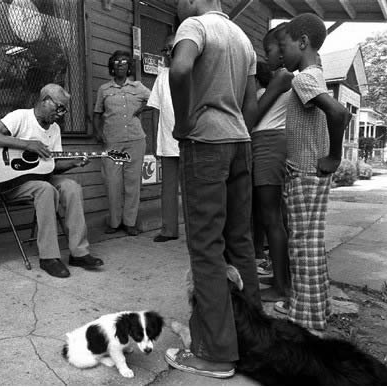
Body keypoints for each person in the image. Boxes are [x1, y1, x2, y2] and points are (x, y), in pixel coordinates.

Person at [163, 0, 260, 379]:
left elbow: (181, 67)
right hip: (240, 144)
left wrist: (186, 122)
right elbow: (251, 104)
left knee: (206, 249)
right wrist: (234, 127)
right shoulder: (242, 38)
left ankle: (215, 353)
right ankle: (254, 338)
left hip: (206, 145)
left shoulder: (196, 27)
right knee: (240, 240)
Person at [274, 13, 351, 334]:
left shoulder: (303, 78)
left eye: (284, 45)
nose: (280, 53)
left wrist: (335, 155)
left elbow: (339, 112)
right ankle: (316, 308)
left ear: (302, 42)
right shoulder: (316, 75)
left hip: (306, 173)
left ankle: (307, 325)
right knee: (311, 245)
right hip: (309, 170)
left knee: (302, 248)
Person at [0, 84, 104, 278]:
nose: (61, 114)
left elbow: (50, 166)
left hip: (40, 177)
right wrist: (27, 144)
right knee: (45, 189)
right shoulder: (20, 117)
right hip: (11, 182)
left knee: (72, 187)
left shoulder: (54, 129)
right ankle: (49, 257)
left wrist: (73, 163)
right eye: (59, 107)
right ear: (45, 100)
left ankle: (79, 252)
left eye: (64, 109)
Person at [251, 25, 293, 302]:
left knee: (272, 219)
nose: (267, 56)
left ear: (282, 45)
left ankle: (281, 286)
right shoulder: (285, 77)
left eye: (269, 50)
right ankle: (280, 276)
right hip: (267, 145)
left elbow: (253, 116)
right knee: (273, 217)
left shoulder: (283, 77)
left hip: (268, 145)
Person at [93, 50, 150, 236]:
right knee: (113, 181)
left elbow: (155, 99)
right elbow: (97, 113)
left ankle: (130, 222)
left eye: (124, 61)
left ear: (129, 67)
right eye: (116, 61)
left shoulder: (138, 87)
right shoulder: (104, 89)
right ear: (112, 66)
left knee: (132, 182)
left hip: (135, 139)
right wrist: (98, 131)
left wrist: (140, 110)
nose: (120, 64)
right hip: (113, 141)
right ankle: (115, 222)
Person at [147, 34, 180, 243]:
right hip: (168, 141)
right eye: (165, 50)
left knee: (195, 190)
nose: (168, 53)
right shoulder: (162, 76)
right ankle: (169, 229)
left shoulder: (195, 71)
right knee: (168, 188)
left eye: (172, 48)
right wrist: (156, 142)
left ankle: (199, 232)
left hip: (193, 140)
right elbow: (156, 111)